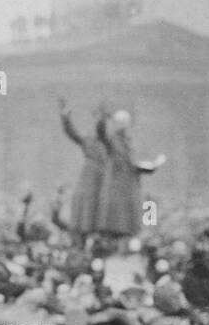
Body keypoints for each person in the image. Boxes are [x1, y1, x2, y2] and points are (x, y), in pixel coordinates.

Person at [95, 109, 165, 239]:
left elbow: (133, 163)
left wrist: (152, 166)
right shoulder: (111, 139)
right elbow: (101, 134)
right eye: (120, 122)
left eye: (125, 122)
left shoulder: (129, 141)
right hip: (116, 183)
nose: (123, 125)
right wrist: (102, 120)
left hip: (130, 183)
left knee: (130, 216)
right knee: (116, 218)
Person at [59, 97, 107, 241]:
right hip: (89, 175)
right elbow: (71, 132)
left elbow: (101, 128)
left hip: (103, 174)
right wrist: (65, 115)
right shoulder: (87, 139)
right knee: (85, 201)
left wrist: (101, 117)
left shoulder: (108, 141)